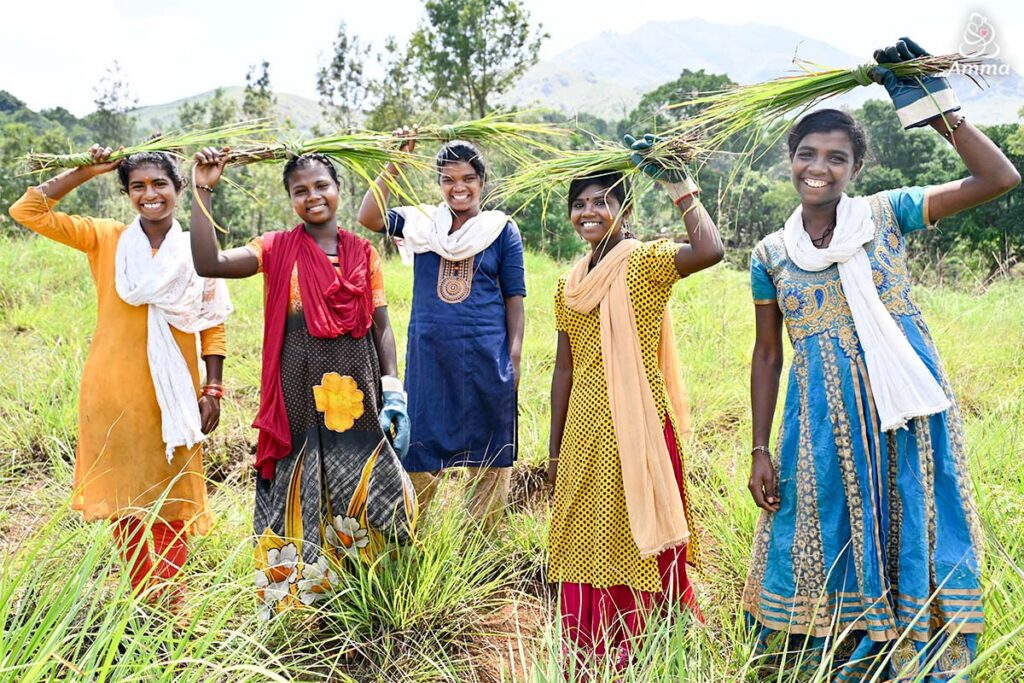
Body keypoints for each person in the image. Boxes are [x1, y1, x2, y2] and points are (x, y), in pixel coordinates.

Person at [744, 38, 1020, 680]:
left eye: (836, 158)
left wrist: (929, 104)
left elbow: (999, 179)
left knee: (908, 512)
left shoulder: (885, 215)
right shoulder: (770, 254)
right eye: (808, 154)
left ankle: (908, 643)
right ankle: (827, 646)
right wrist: (759, 447)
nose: (820, 167)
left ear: (854, 169)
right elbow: (766, 354)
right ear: (791, 162)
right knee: (822, 518)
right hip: (818, 415)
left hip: (905, 407)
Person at [190, 149, 416, 619]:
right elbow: (208, 262)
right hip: (296, 399)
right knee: (301, 487)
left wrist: (393, 388)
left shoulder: (363, 252)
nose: (313, 197)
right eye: (300, 190)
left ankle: (375, 597)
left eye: (321, 186)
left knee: (372, 485)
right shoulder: (274, 248)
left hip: (357, 400)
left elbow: (382, 326)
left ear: (338, 189)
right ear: (291, 198)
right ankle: (298, 605)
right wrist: (203, 189)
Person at [8, 145, 230, 604]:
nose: (150, 195)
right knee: (124, 495)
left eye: (160, 184)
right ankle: (143, 590)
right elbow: (26, 210)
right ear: (127, 194)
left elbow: (212, 322)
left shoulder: (198, 249)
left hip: (173, 391)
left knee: (173, 493)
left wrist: (213, 387)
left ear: (178, 188)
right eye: (138, 187)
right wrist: (84, 171)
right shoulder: (106, 238)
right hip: (112, 387)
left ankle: (170, 596)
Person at [547, 137, 724, 671]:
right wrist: (554, 451)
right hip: (584, 428)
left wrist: (679, 185)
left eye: (601, 201)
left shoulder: (644, 263)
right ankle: (589, 646)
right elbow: (564, 368)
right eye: (580, 203)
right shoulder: (568, 285)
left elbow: (711, 252)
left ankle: (648, 645)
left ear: (623, 209)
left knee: (639, 523)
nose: (588, 212)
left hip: (639, 421)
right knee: (583, 527)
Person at [357, 135, 525, 531]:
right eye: (448, 179)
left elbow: (515, 301)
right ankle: (416, 537)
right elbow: (368, 217)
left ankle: (478, 548)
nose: (459, 187)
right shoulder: (421, 225)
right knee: (419, 447)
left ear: (482, 181)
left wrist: (513, 361)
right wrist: (394, 162)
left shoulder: (501, 231)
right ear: (438, 184)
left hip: (487, 357)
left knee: (489, 454)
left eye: (468, 177)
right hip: (430, 357)